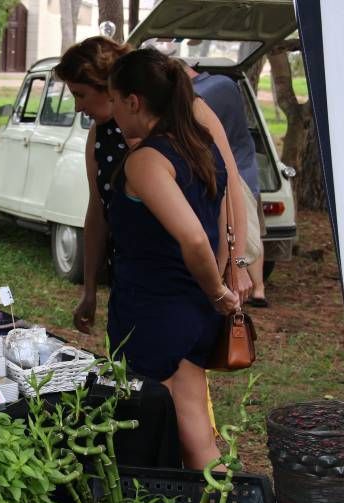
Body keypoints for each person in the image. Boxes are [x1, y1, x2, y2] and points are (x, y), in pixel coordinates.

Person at [53, 37, 252, 335]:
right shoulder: (101, 136)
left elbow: (228, 187)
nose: (78, 107)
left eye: (80, 94)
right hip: (135, 285)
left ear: (112, 91)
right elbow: (98, 210)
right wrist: (90, 289)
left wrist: (236, 265)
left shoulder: (188, 114)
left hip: (185, 282)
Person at [105, 48, 240, 469]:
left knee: (146, 437)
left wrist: (217, 291)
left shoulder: (146, 160)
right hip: (189, 308)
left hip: (154, 312)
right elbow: (221, 226)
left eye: (112, 100)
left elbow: (196, 238)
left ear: (134, 101)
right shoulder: (200, 146)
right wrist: (210, 291)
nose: (110, 112)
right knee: (196, 434)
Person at [185, 64, 269, 307]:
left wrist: (236, 266)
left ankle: (252, 282)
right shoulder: (225, 84)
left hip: (237, 173)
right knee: (253, 234)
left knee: (247, 235)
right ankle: (259, 288)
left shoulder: (211, 89)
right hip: (243, 169)